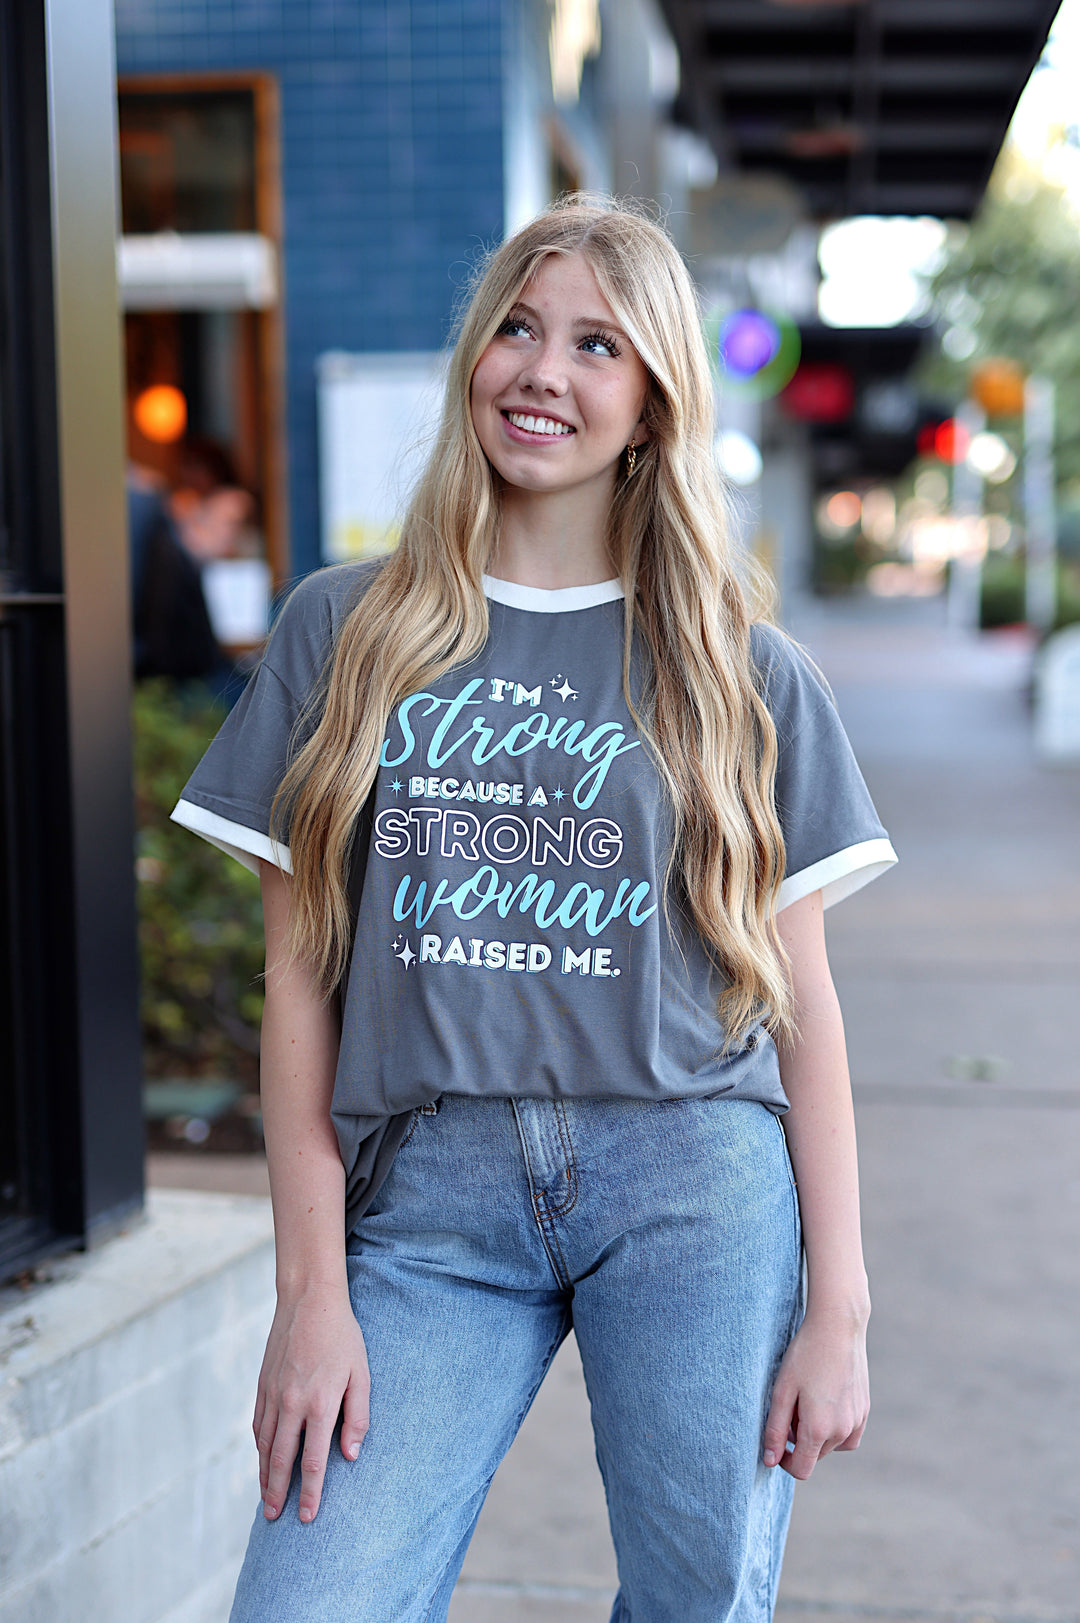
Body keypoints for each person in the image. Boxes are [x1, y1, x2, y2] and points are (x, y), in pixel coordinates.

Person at [171, 196, 897, 1623]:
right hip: (431, 1205)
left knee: (700, 1605)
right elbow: (301, 981)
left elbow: (801, 1004)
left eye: (595, 344)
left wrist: (843, 1309)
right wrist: (310, 1295)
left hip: (693, 1180)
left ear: (650, 407)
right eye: (516, 326)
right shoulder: (347, 630)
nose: (541, 371)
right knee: (309, 1603)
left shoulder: (740, 673)